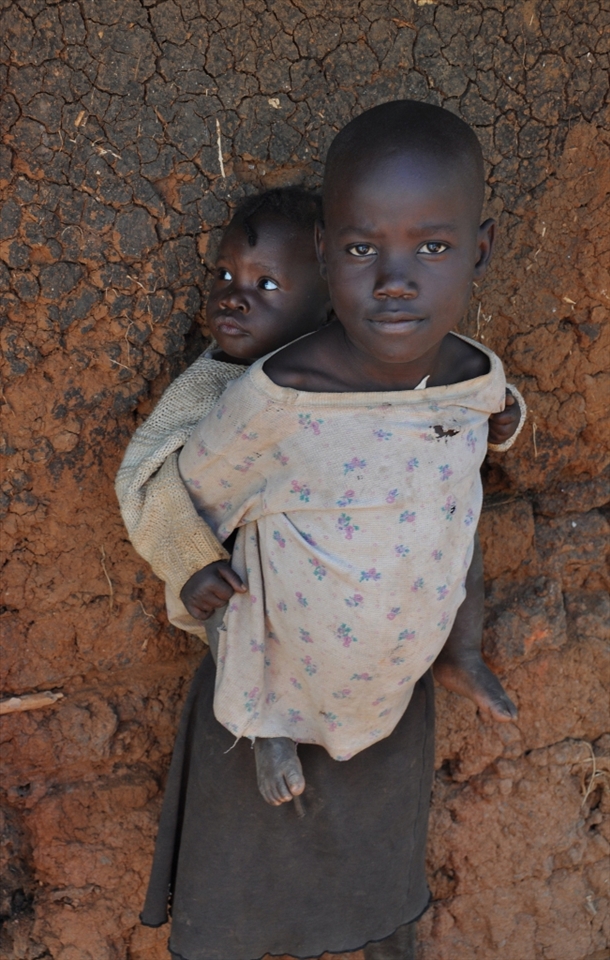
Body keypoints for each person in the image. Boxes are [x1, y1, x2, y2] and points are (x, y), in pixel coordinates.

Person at [152, 100, 525, 960]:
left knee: (460, 527)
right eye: (363, 250)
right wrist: (191, 566)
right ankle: (263, 729)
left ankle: (459, 655)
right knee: (245, 915)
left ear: (481, 250)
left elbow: (490, 415)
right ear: (325, 253)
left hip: (393, 672)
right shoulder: (276, 402)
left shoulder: (472, 373)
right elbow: (184, 492)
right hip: (287, 657)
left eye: (431, 248)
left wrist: (506, 420)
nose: (395, 280)